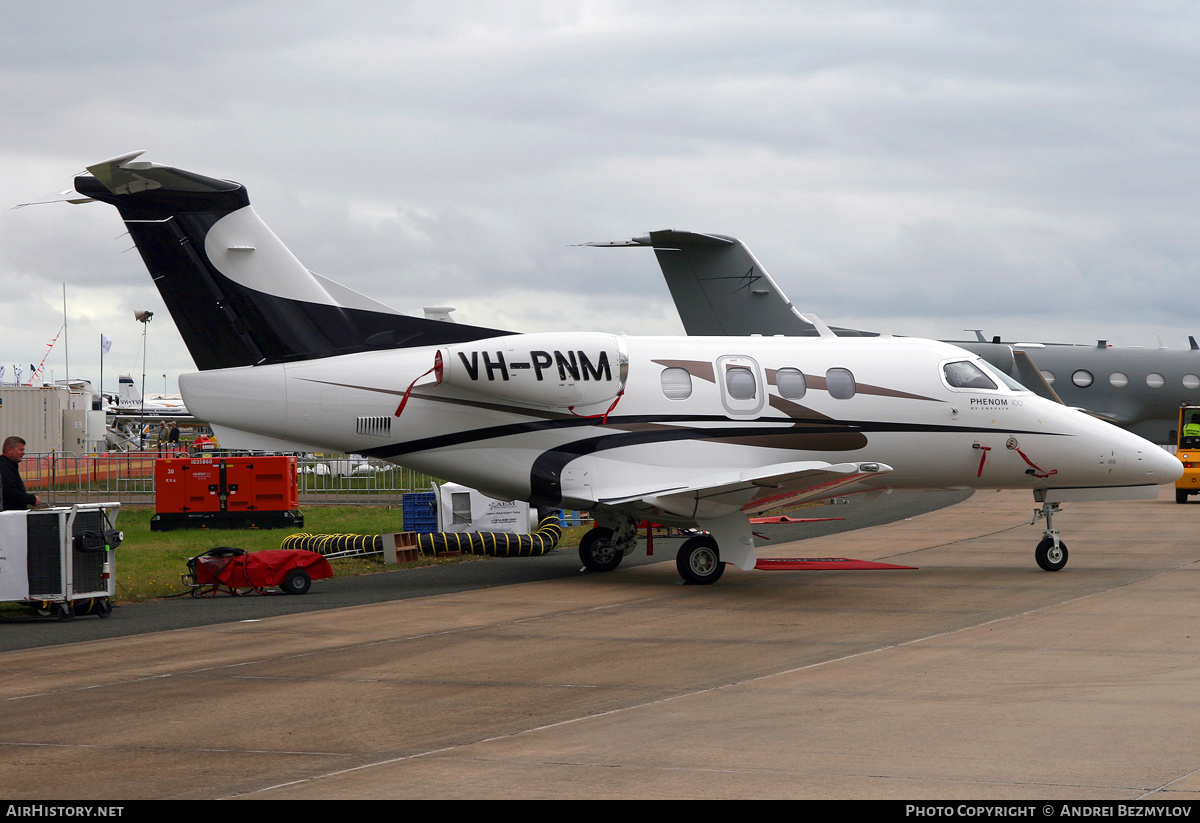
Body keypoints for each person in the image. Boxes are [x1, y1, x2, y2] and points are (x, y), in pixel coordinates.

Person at [1, 436, 39, 511]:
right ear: (9, 449)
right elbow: (10, 492)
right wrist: (32, 499)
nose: (23, 453)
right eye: (20, 450)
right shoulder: (5, 467)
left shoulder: (9, 465)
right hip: (9, 514)